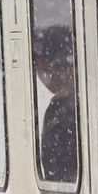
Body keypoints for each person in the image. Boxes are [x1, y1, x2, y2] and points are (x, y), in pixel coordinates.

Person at [32, 26, 78, 184]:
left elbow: (57, 179)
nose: (41, 77)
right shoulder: (87, 101)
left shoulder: (60, 112)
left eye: (40, 70)